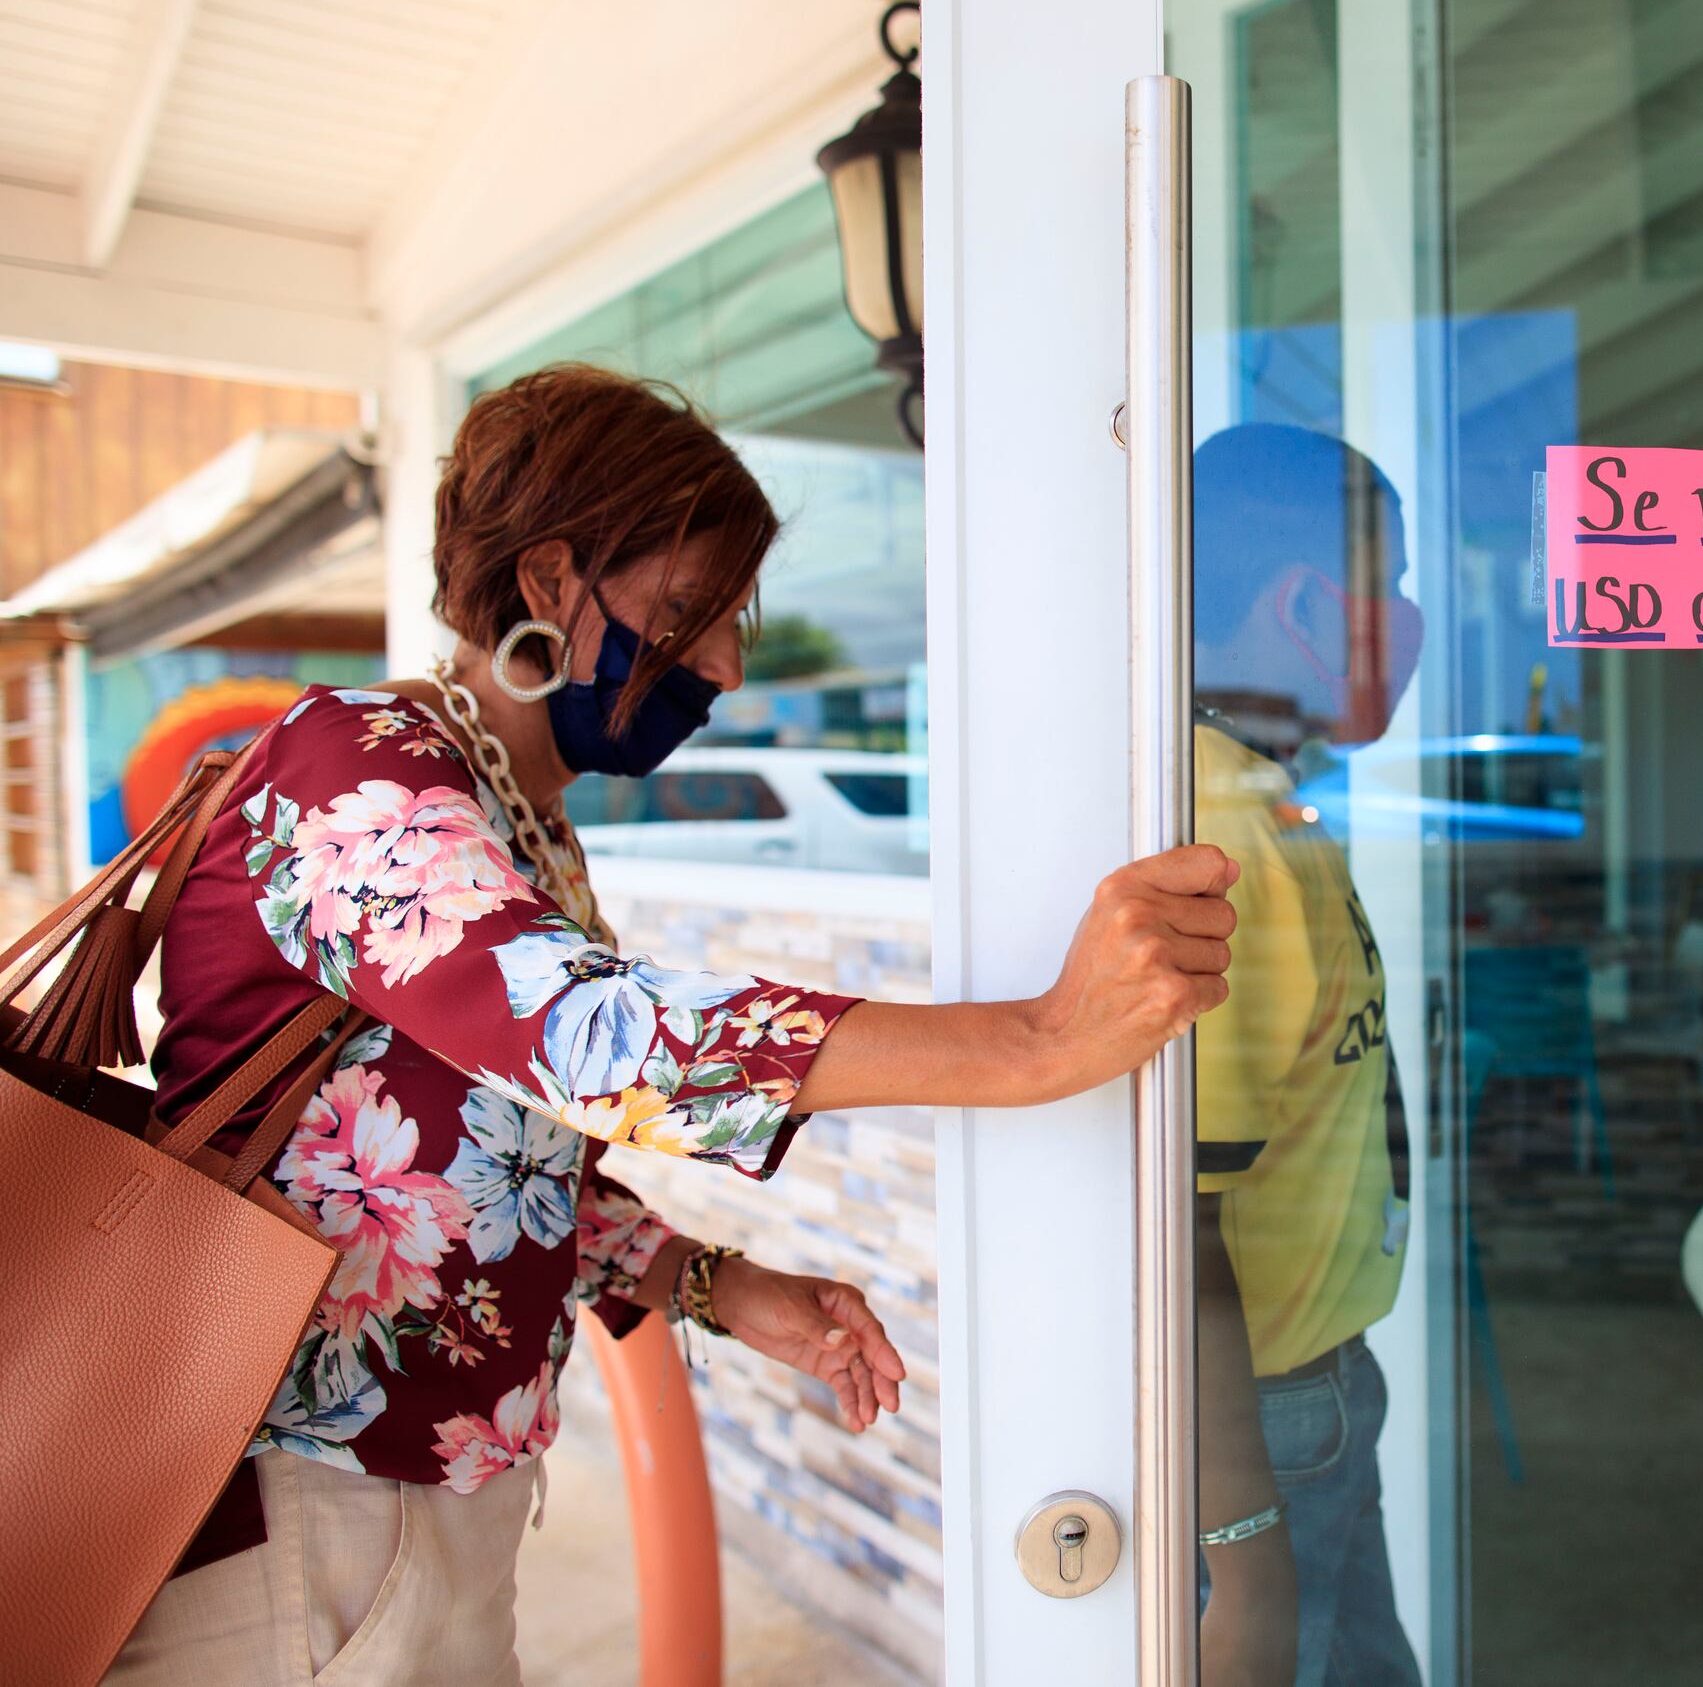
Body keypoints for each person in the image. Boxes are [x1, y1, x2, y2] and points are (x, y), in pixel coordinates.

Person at [106, 364, 1238, 1685]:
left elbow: (495, 1165)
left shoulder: (511, 810)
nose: (727, 662)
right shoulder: (347, 760)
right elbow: (588, 1038)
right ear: (546, 584)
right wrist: (1039, 1038)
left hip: (427, 1497)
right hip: (310, 1505)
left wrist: (715, 1282)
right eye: (691, 610)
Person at [1190, 423, 1425, 1687]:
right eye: (1387, 585)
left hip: (1309, 1397)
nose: (1407, 618)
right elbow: (1180, 1218)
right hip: (1267, 1420)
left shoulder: (1256, 790)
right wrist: (1244, 1546)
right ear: (1302, 606)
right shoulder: (1218, 829)